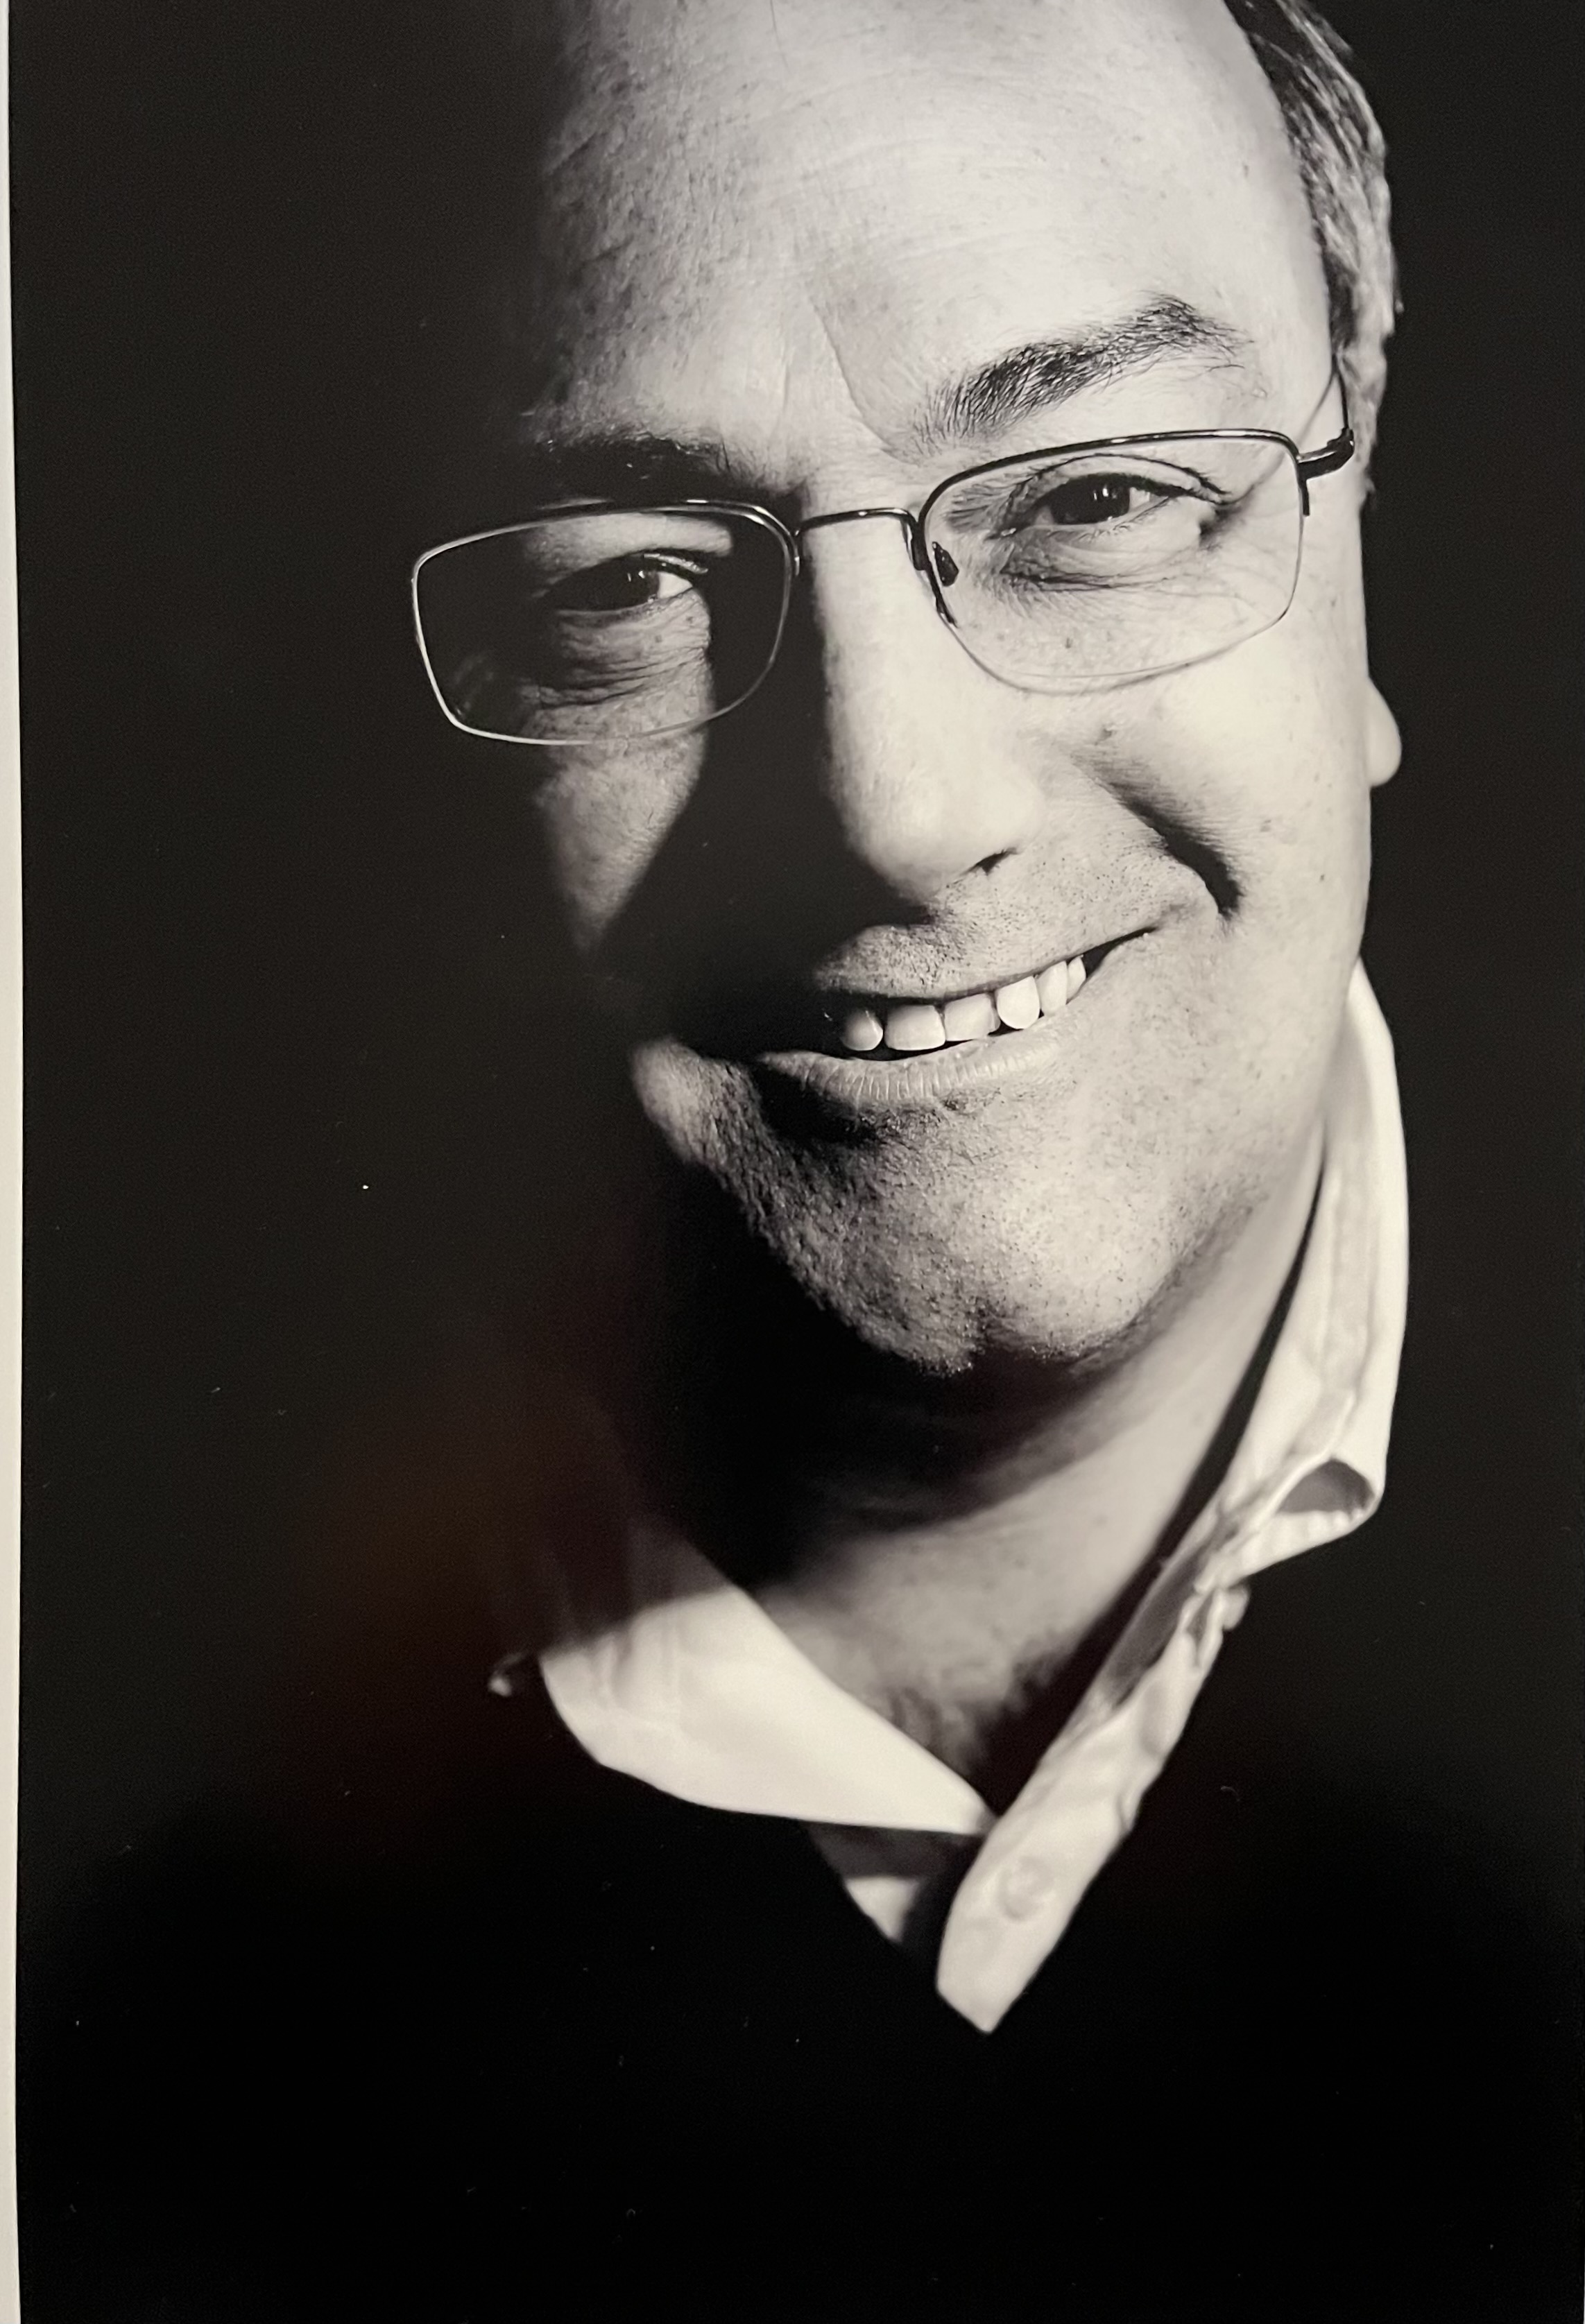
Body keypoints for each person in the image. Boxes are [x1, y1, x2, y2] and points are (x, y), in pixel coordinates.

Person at [22, 1, 1581, 2318]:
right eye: (629, 582)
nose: (898, 807)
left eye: (1093, 497)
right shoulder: (113, 1825)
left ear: (1367, 529)